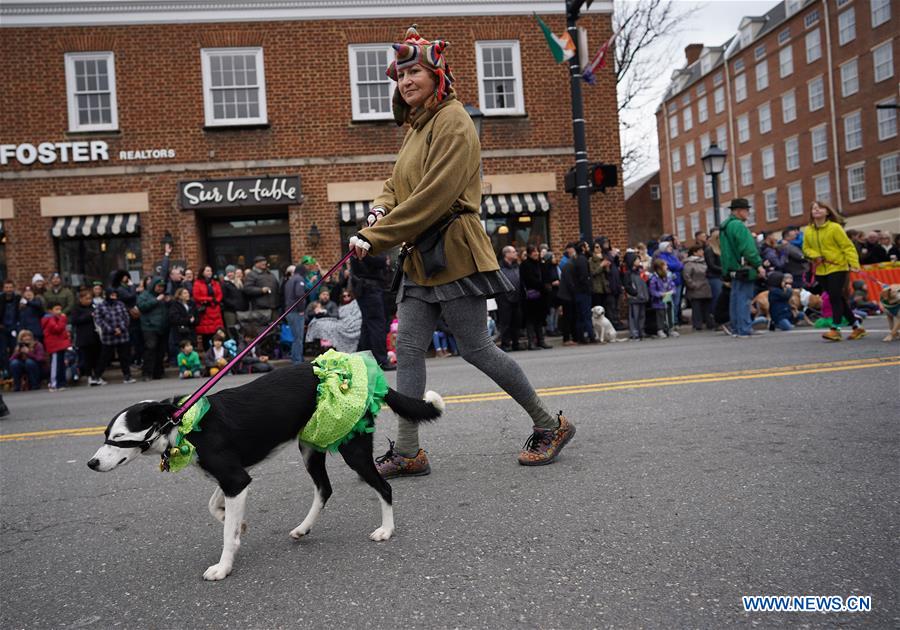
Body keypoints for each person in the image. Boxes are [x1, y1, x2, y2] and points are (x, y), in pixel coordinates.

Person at [351, 26, 575, 475]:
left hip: (454, 251)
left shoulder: (453, 119)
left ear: (437, 74)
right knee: (409, 349)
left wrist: (379, 236)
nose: (406, 81)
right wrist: (379, 211)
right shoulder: (416, 129)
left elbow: (436, 194)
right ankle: (410, 451)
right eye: (399, 75)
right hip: (418, 259)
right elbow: (396, 185)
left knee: (477, 349)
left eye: (414, 71)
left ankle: (549, 424)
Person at [802, 200, 865, 341]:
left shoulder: (835, 228)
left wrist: (854, 263)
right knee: (838, 298)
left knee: (834, 297)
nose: (816, 210)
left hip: (837, 266)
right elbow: (806, 248)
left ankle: (835, 329)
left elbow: (847, 246)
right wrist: (814, 255)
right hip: (820, 269)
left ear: (827, 211)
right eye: (814, 209)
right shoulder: (808, 230)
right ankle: (856, 327)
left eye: (820, 208)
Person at [719, 198, 766, 339]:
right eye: (747, 210)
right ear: (739, 211)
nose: (748, 213)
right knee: (744, 299)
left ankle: (736, 328)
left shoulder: (725, 227)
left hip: (732, 267)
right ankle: (744, 328)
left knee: (735, 297)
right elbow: (748, 248)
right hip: (744, 267)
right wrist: (758, 265)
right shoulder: (739, 226)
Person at [351, 252, 393, 369]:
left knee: (367, 326)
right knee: (376, 325)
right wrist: (384, 258)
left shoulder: (358, 245)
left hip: (365, 289)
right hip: (370, 290)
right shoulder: (366, 246)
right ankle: (380, 360)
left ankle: (366, 360)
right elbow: (380, 261)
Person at [94, 287, 136, 384]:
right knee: (105, 357)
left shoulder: (120, 304)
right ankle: (97, 376)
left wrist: (120, 328)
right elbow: (99, 319)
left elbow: (126, 317)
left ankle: (127, 376)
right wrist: (111, 330)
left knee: (124, 356)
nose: (114, 297)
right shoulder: (101, 306)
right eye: (112, 295)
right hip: (109, 336)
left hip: (122, 334)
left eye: (115, 295)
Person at [304, 289, 362, 353]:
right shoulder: (313, 304)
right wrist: (315, 312)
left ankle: (327, 348)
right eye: (324, 294)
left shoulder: (332, 304)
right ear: (319, 295)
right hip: (316, 325)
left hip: (330, 324)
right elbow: (306, 316)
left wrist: (325, 312)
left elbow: (335, 316)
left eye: (327, 295)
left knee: (329, 327)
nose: (325, 296)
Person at [519, 244, 551, 350]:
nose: (536, 253)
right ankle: (531, 342)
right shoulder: (525, 265)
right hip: (530, 297)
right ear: (529, 253)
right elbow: (529, 280)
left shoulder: (541, 264)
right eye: (533, 251)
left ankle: (541, 340)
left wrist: (546, 285)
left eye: (537, 251)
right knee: (530, 320)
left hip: (541, 297)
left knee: (540, 319)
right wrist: (542, 286)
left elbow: (546, 276)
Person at [137, 278, 169, 381]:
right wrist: (156, 300)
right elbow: (142, 306)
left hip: (162, 327)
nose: (161, 289)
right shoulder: (144, 295)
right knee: (150, 349)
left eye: (162, 287)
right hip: (149, 327)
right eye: (159, 286)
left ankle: (158, 373)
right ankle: (147, 373)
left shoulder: (163, 296)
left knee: (161, 351)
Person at [71, 288, 104, 386]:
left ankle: (97, 376)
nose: (88, 301)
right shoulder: (76, 309)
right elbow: (75, 320)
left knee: (97, 357)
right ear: (81, 299)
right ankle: (89, 376)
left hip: (95, 336)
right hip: (84, 337)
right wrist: (89, 315)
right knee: (87, 358)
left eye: (90, 298)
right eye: (86, 299)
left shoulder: (94, 307)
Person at [496, 245, 523, 351]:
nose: (516, 253)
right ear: (506, 254)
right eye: (513, 252)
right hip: (504, 298)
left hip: (517, 297)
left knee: (516, 322)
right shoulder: (500, 267)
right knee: (505, 322)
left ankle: (516, 343)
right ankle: (505, 344)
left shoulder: (517, 266)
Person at [282, 260, 310, 364]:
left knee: (295, 337)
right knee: (298, 338)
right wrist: (302, 310)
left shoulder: (290, 280)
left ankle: (296, 359)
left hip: (289, 311)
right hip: (296, 312)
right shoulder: (299, 279)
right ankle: (297, 361)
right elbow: (299, 295)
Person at [40, 303, 71, 392]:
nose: (59, 311)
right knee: (56, 365)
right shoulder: (50, 319)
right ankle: (54, 383)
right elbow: (56, 329)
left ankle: (61, 382)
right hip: (54, 345)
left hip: (60, 344)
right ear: (50, 311)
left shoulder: (56, 318)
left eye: (60, 309)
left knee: (61, 364)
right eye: (56, 309)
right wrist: (63, 319)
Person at [193, 265, 225, 349]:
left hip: (215, 309)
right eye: (207, 271)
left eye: (210, 271)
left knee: (216, 333)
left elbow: (219, 294)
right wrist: (210, 299)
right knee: (206, 334)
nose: (209, 272)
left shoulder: (215, 283)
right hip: (205, 310)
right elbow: (197, 296)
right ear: (202, 272)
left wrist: (216, 300)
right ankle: (208, 352)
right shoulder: (197, 283)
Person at [683, 245, 713, 331]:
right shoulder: (689, 263)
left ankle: (709, 323)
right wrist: (692, 285)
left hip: (705, 287)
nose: (702, 252)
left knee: (707, 307)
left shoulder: (704, 261)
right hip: (696, 288)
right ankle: (697, 324)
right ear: (694, 252)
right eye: (700, 251)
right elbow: (686, 276)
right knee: (696, 308)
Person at [243, 255, 280, 322]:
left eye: (264, 261)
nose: (264, 263)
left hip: (274, 308)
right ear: (256, 264)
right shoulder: (252, 274)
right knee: (264, 329)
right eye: (261, 262)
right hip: (261, 309)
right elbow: (247, 289)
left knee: (276, 328)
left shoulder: (270, 274)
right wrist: (261, 290)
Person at [622, 251, 649, 340]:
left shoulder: (640, 272)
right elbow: (627, 285)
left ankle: (642, 331)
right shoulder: (628, 273)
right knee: (634, 315)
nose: (639, 261)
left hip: (642, 296)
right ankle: (634, 332)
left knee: (642, 315)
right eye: (637, 259)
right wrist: (634, 292)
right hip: (634, 297)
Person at [649, 258, 676, 338]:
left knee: (669, 313)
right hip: (658, 301)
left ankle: (670, 329)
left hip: (668, 299)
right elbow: (653, 291)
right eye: (665, 265)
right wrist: (661, 294)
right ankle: (660, 330)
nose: (667, 267)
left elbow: (672, 285)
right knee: (660, 315)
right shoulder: (654, 279)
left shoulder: (667, 276)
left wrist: (671, 291)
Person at [221, 264, 248, 338]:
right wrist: (234, 304)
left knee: (241, 328)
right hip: (230, 311)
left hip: (240, 310)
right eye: (228, 272)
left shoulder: (239, 282)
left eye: (231, 272)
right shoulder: (224, 284)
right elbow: (224, 298)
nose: (230, 274)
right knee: (231, 329)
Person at [1, 280, 20, 377]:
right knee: (3, 352)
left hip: (14, 327)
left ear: (13, 288)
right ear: (3, 289)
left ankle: (14, 373)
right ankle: (6, 371)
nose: (8, 289)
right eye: (6, 287)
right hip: (2, 328)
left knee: (14, 350)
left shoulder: (18, 299)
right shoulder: (1, 299)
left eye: (10, 287)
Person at [704, 228, 724, 311]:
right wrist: (724, 269)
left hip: (721, 276)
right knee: (717, 298)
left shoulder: (720, 249)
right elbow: (711, 265)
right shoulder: (709, 249)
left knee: (721, 299)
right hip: (714, 277)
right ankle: (714, 319)